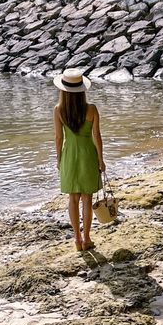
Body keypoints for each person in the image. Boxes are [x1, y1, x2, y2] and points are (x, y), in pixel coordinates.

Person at [53, 68, 106, 251]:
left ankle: (76, 239)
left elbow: (59, 138)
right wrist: (101, 160)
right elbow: (97, 137)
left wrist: (59, 159)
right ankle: (87, 238)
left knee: (73, 199)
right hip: (87, 154)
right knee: (87, 199)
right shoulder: (91, 109)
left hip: (69, 155)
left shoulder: (58, 110)